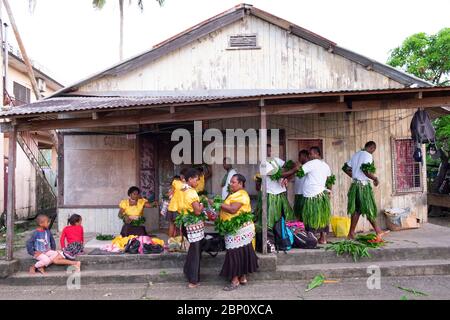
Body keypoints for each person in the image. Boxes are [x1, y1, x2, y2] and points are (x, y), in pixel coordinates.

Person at [219, 174, 258, 291]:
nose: (231, 184)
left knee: (234, 253)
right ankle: (242, 278)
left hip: (239, 229)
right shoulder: (235, 194)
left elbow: (233, 210)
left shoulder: (241, 195)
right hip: (237, 229)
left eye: (233, 182)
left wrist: (216, 204)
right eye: (230, 182)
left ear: (240, 184)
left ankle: (235, 280)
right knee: (241, 252)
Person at [343, 141, 388, 241]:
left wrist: (355, 176)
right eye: (373, 151)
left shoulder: (357, 154)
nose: (373, 153)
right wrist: (375, 178)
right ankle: (378, 231)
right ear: (372, 148)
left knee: (357, 210)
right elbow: (365, 170)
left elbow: (345, 168)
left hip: (355, 185)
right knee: (368, 208)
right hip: (363, 186)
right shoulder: (368, 155)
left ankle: (351, 233)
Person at [298, 147, 332, 244]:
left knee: (310, 216)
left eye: (311, 153)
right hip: (322, 195)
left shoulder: (311, 163)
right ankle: (323, 238)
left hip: (312, 195)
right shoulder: (326, 165)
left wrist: (297, 167)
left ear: (316, 154)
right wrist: (329, 191)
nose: (309, 155)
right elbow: (329, 180)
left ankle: (311, 238)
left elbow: (300, 172)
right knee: (323, 216)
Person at [179, 168, 204, 288]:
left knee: (193, 251)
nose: (198, 182)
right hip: (193, 225)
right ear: (189, 179)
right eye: (196, 179)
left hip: (185, 223)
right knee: (195, 252)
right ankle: (193, 281)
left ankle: (188, 271)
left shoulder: (182, 189)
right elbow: (198, 212)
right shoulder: (192, 192)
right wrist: (202, 205)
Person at [262, 144, 298, 229]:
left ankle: (284, 234)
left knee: (285, 215)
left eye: (270, 150)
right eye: (267, 151)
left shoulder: (276, 160)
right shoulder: (263, 164)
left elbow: (288, 165)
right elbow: (276, 175)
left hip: (281, 192)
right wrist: (293, 170)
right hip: (271, 194)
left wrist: (288, 178)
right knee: (271, 218)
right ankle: (271, 236)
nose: (269, 152)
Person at [167, 168, 188, 237]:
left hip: (173, 206)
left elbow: (170, 193)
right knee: (182, 225)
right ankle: (182, 243)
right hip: (183, 208)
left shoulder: (175, 182)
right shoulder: (189, 185)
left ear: (181, 176)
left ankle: (170, 241)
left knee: (172, 224)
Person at [293, 150, 310, 222]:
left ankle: (306, 230)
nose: (298, 158)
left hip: (304, 194)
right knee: (298, 214)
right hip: (297, 193)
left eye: (299, 156)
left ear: (304, 156)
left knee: (304, 213)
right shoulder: (299, 167)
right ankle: (300, 229)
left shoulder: (308, 166)